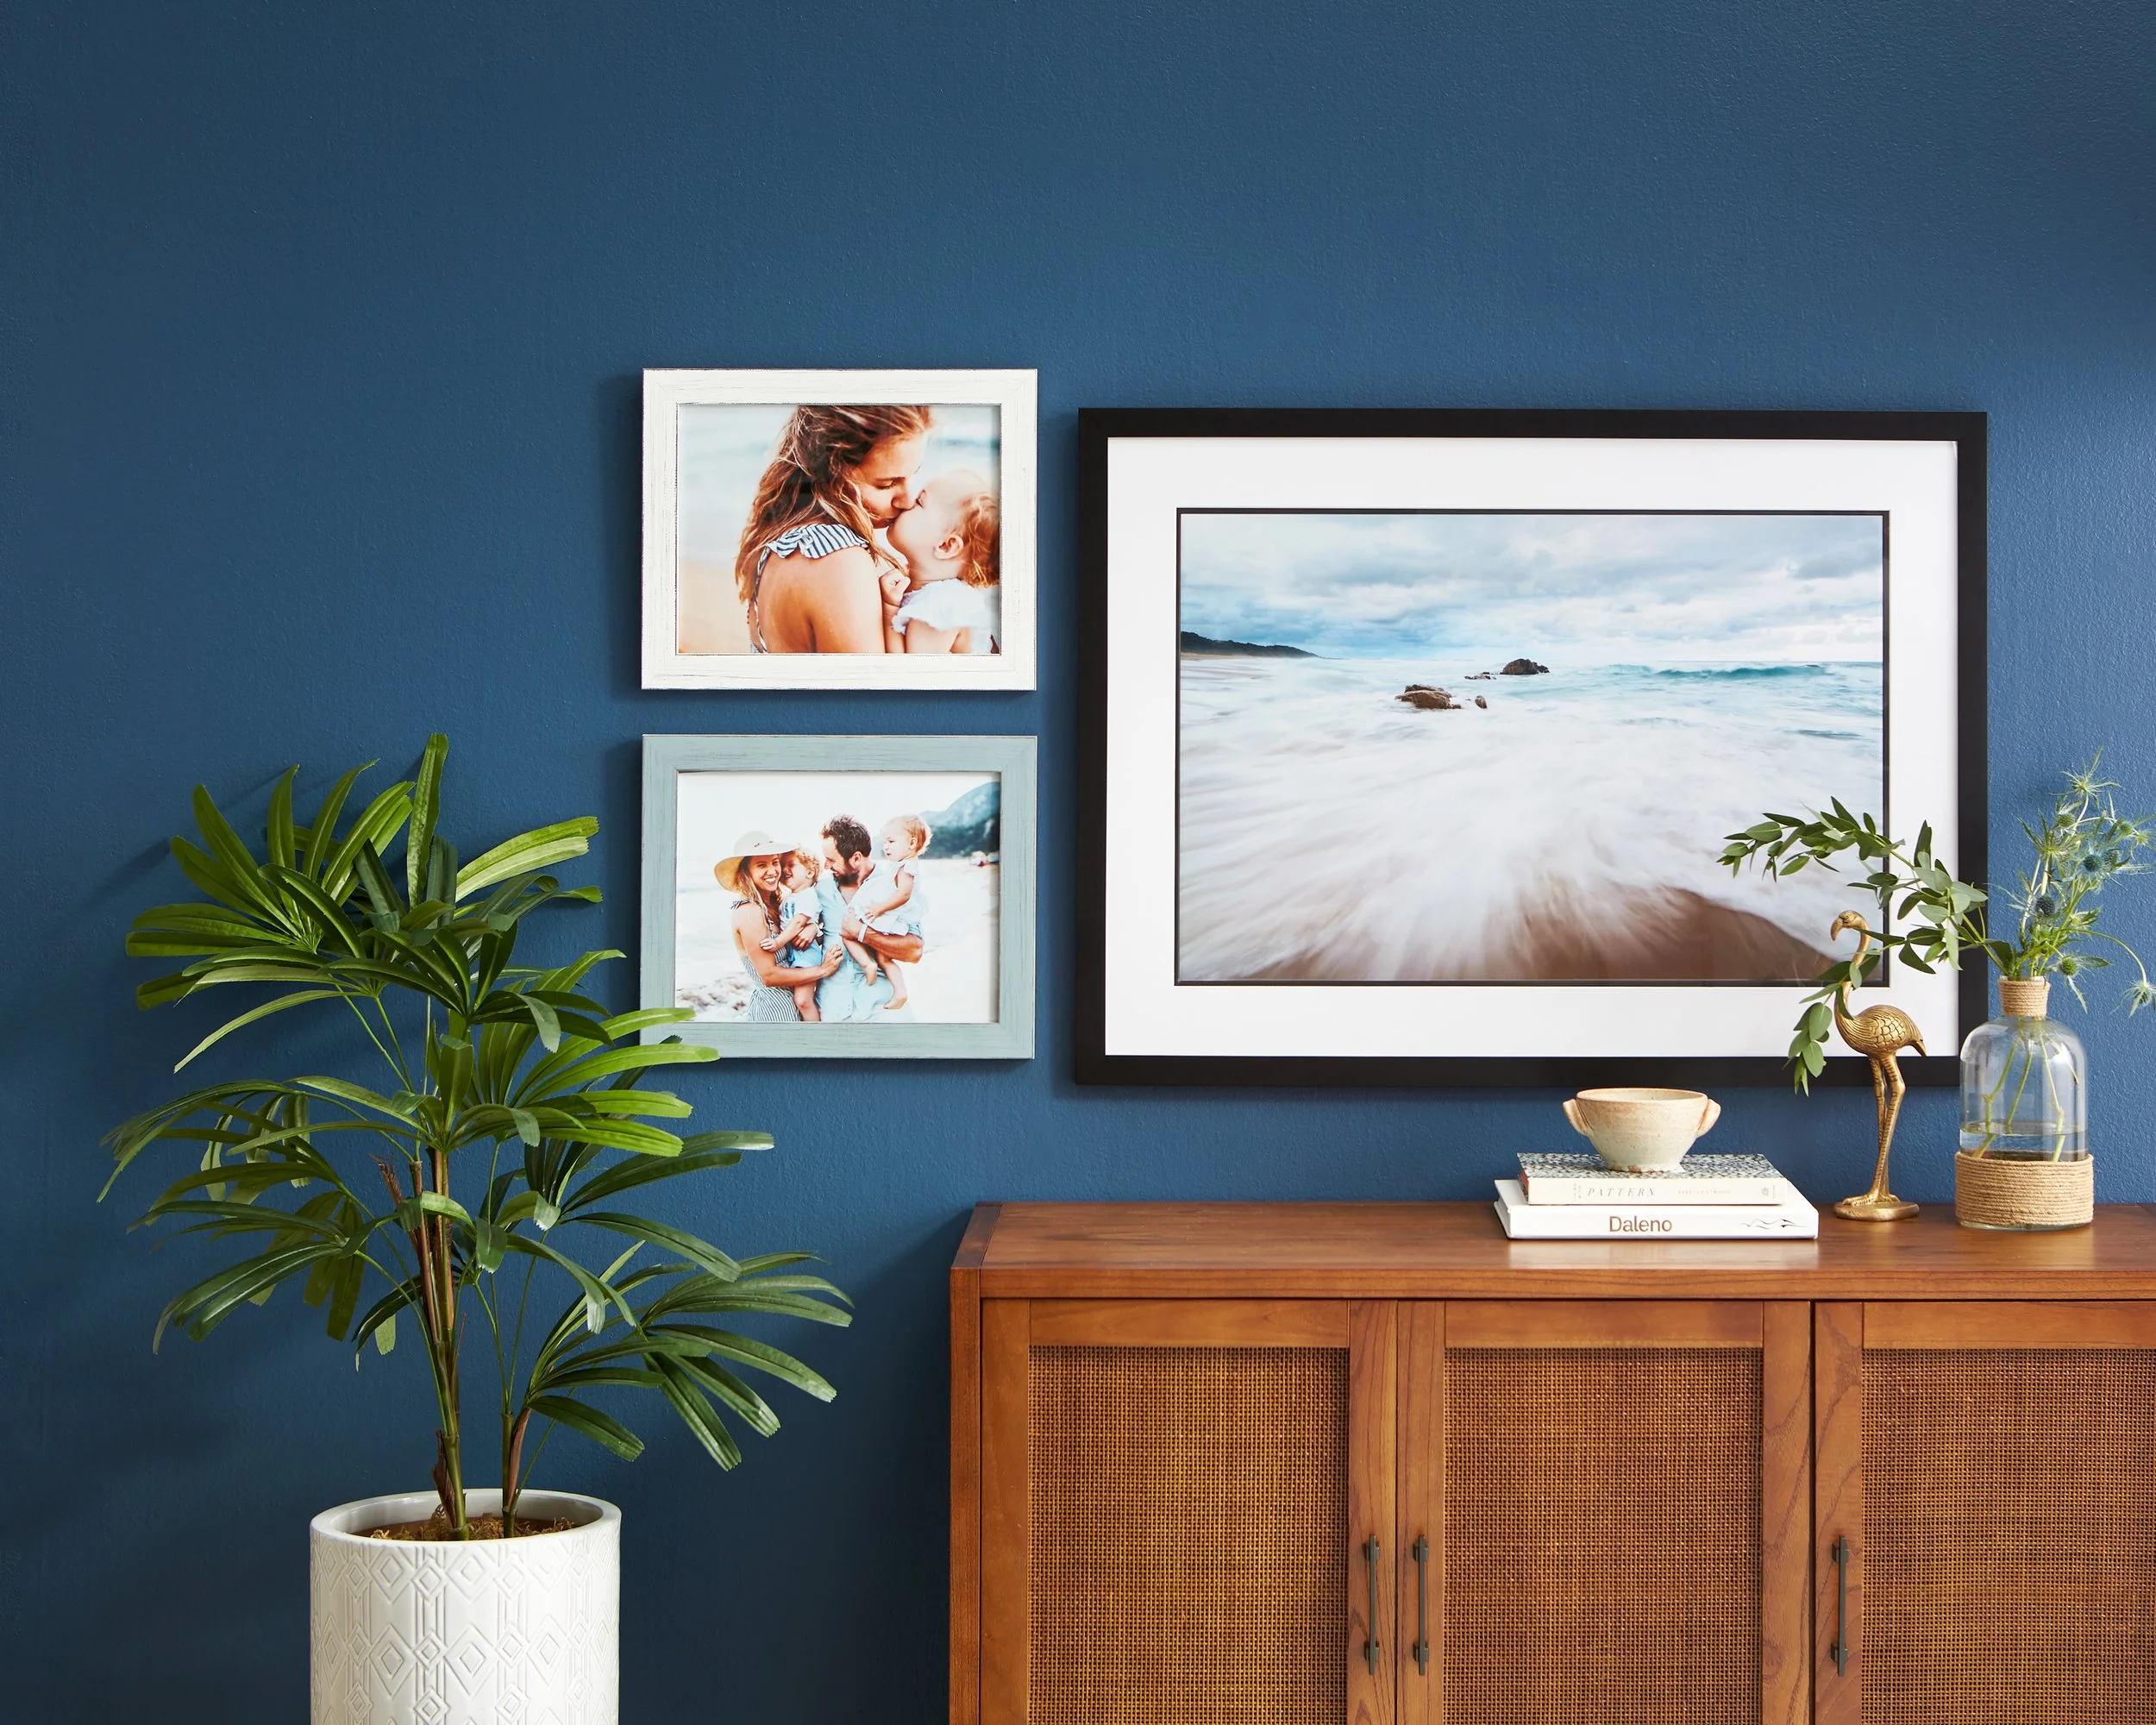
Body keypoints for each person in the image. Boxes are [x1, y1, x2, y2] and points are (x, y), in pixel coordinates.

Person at [734, 405, 932, 654]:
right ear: (830, 474)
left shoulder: (781, 542)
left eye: (913, 474)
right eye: (886, 484)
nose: (907, 499)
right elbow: (873, 690)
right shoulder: (839, 560)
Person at [715, 831, 842, 1020]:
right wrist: (823, 970)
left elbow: (801, 933)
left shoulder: (776, 905)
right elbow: (769, 976)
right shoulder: (749, 910)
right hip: (775, 1012)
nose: (773, 871)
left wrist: (812, 928)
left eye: (775, 862)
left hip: (795, 1006)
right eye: (761, 865)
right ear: (746, 872)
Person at [814, 815, 924, 1021]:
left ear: (856, 858)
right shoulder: (820, 890)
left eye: (831, 860)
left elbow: (915, 951)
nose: (826, 866)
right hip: (832, 1009)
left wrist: (863, 933)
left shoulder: (894, 886)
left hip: (882, 1006)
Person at [879, 470, 1000, 655]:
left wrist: (889, 610)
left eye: (920, 502)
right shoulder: (939, 595)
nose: (907, 501)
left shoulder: (941, 607)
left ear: (945, 546)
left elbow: (910, 674)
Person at [846, 814, 931, 1011]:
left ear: (912, 843)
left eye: (891, 841)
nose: (886, 846)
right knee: (883, 957)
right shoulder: (899, 865)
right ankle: (899, 991)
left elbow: (903, 895)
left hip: (894, 915)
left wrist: (879, 908)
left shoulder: (908, 866)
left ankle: (874, 970)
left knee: (851, 934)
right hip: (892, 915)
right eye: (885, 842)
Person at [765, 847, 845, 1021]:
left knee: (802, 1000)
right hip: (794, 952)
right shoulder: (791, 897)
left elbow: (798, 922)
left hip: (806, 953)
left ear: (809, 872)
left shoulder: (808, 896)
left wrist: (778, 943)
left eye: (791, 865)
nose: (785, 870)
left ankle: (816, 1035)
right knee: (800, 998)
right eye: (783, 865)